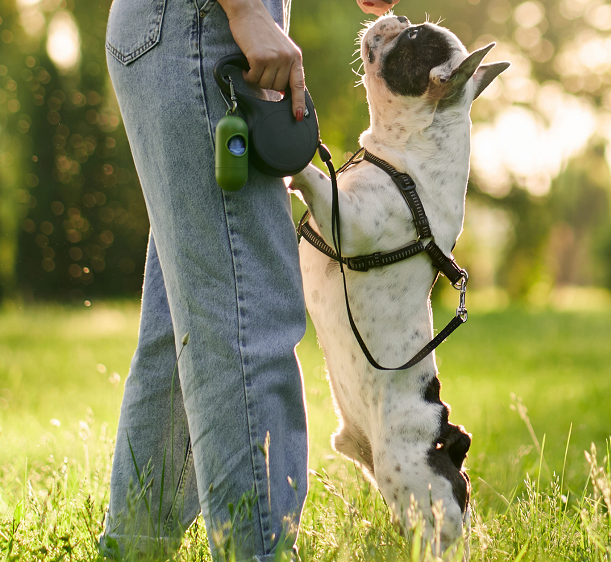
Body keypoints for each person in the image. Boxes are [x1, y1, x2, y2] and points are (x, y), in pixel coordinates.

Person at [100, 0, 398, 558]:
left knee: (187, 333)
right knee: (246, 316)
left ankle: (133, 551)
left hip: (183, 30)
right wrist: (244, 9)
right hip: (201, 30)